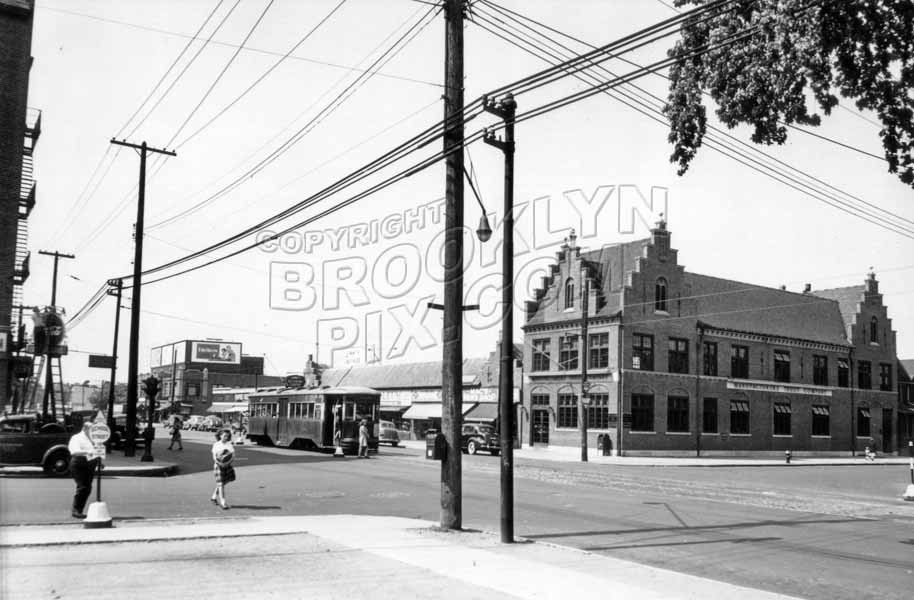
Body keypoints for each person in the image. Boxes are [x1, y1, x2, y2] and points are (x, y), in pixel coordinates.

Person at [68, 420, 100, 519]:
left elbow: (95, 451)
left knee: (87, 488)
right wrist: (88, 452)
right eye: (91, 430)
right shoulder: (76, 438)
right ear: (85, 429)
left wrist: (99, 461)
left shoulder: (92, 438)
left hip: (90, 464)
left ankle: (79, 510)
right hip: (79, 463)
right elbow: (74, 451)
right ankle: (76, 510)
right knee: (82, 487)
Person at [211, 429, 235, 509]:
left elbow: (233, 456)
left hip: (227, 465)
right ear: (220, 436)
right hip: (218, 465)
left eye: (227, 436)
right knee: (221, 484)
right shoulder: (216, 445)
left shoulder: (229, 445)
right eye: (224, 436)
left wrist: (227, 463)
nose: (226, 437)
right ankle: (223, 502)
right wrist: (220, 463)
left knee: (224, 481)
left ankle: (214, 497)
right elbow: (214, 457)